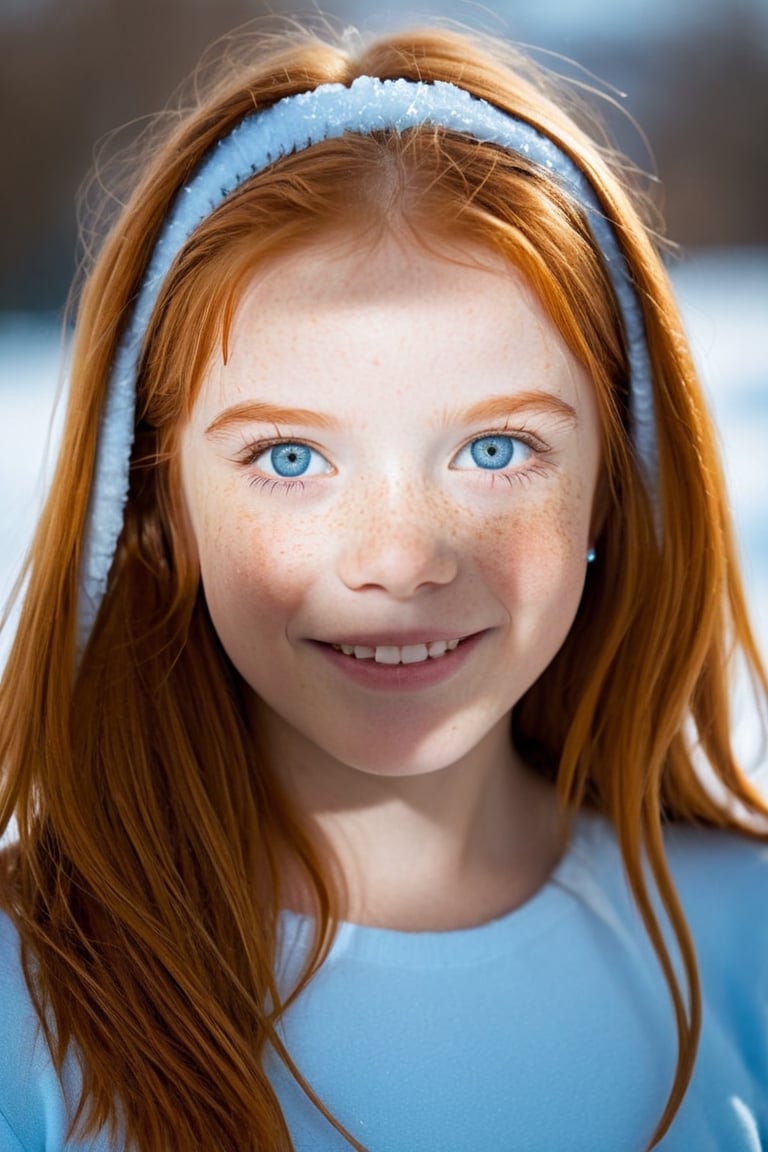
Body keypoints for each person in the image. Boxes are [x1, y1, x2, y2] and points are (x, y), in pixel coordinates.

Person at [0, 17, 766, 1152]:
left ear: (613, 483)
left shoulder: (744, 938)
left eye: (496, 451)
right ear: (155, 503)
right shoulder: (30, 993)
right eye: (291, 459)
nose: (402, 559)